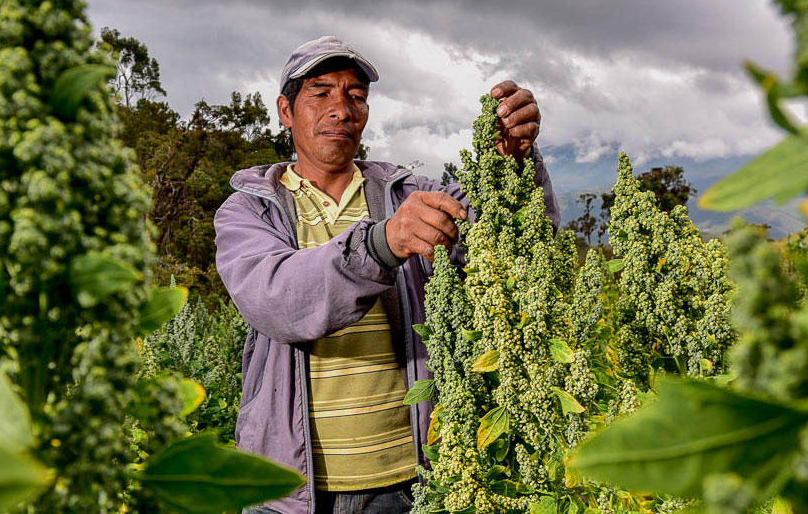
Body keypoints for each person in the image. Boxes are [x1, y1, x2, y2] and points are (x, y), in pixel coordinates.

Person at [216, 36, 561, 514]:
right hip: (285, 491)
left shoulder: (410, 194)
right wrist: (382, 244)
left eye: (356, 95)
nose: (341, 109)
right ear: (285, 110)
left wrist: (517, 165)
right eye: (320, 92)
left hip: (407, 482)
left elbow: (516, 241)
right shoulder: (249, 210)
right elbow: (278, 299)